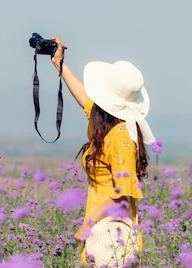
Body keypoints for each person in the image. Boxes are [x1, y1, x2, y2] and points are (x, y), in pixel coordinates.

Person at [50, 37, 156, 266]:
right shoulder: (107, 124)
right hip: (101, 227)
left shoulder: (120, 136)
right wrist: (59, 63)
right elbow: (85, 100)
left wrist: (87, 226)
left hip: (111, 234)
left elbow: (122, 195)